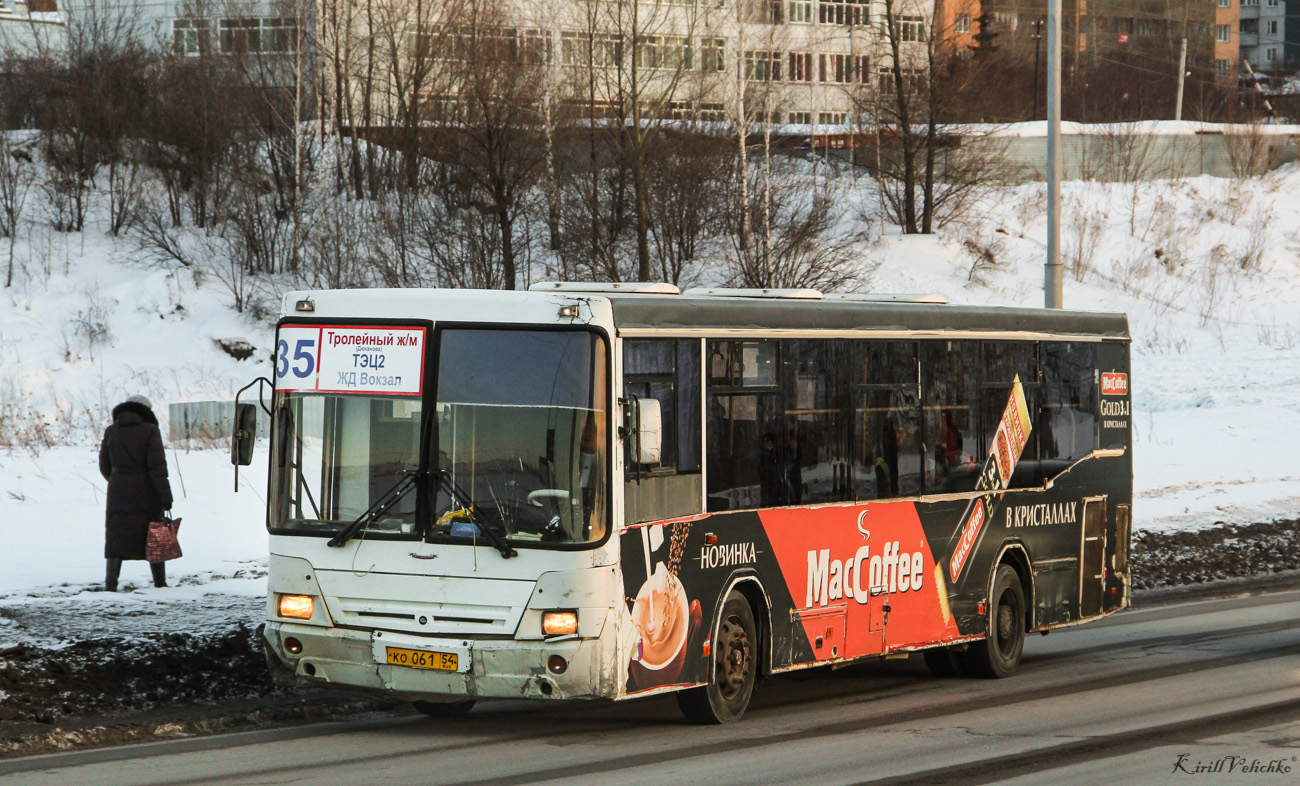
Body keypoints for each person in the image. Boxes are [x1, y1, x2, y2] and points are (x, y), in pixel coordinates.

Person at [99, 394, 174, 590]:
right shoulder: (150, 431)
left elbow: (104, 465)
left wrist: (118, 480)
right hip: (146, 490)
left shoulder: (111, 431)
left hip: (117, 490)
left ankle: (111, 584)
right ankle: (160, 582)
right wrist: (165, 497)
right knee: (153, 534)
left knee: (116, 536)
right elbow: (158, 468)